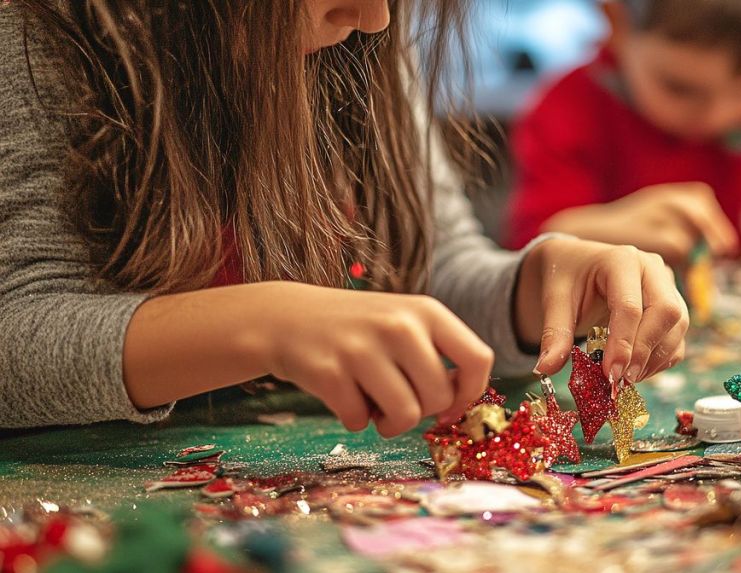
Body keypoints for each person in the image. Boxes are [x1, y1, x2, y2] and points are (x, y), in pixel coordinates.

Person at [0, 0, 688, 431]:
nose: (378, 17)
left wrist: (534, 286)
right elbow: (17, 338)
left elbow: (430, 270)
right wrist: (263, 322)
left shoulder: (360, 40)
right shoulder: (34, 37)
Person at [506, 0, 741, 308]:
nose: (717, 114)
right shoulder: (566, 108)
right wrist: (603, 228)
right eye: (680, 88)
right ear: (616, 23)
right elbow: (530, 253)